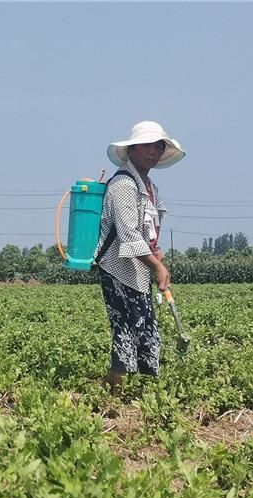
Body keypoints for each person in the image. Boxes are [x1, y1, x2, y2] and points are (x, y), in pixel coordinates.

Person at [95, 121, 185, 393]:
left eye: (158, 146)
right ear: (132, 149)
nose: (153, 151)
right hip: (117, 268)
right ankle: (115, 394)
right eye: (147, 145)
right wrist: (157, 266)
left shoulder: (149, 186)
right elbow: (128, 235)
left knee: (146, 331)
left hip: (138, 270)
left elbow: (146, 233)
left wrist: (156, 253)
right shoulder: (123, 184)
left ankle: (142, 395)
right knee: (126, 329)